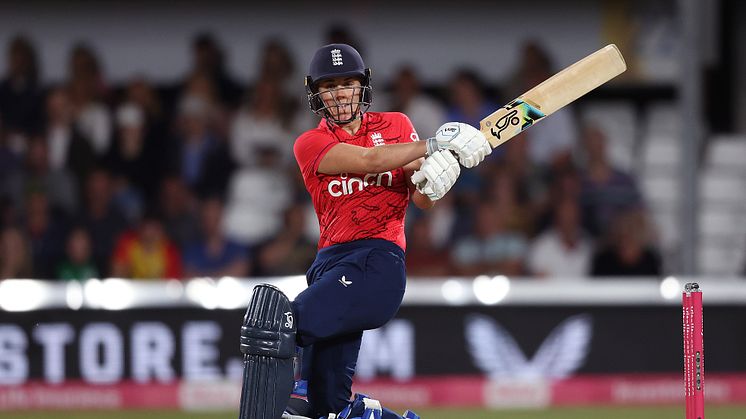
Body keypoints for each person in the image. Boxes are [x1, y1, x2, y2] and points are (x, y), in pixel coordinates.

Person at [236, 44, 491, 419]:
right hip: (329, 268)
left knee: (278, 323)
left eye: (348, 83)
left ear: (363, 86)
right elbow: (368, 160)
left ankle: (284, 404)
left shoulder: (397, 125)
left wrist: (436, 181)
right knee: (330, 407)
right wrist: (434, 143)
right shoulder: (309, 143)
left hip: (377, 262)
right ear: (315, 94)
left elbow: (420, 199)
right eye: (329, 86)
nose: (339, 93)